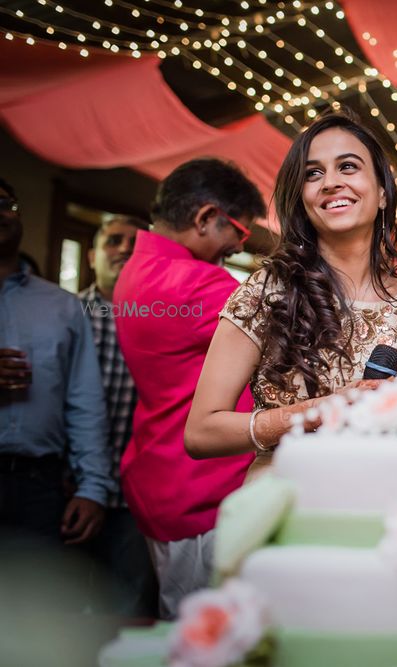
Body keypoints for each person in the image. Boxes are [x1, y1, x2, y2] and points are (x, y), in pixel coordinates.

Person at [184, 111, 397, 481]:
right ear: (303, 199)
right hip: (286, 509)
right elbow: (201, 433)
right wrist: (320, 411)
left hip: (384, 514)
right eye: (313, 173)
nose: (331, 182)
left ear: (384, 193)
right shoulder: (267, 291)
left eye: (348, 167)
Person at [113, 159, 266, 618]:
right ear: (204, 217)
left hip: (161, 473)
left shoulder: (138, 271)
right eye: (238, 232)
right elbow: (300, 326)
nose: (240, 245)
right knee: (211, 635)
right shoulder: (198, 284)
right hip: (200, 484)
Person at [0, 177, 113, 550]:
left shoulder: (63, 306)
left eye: (6, 203)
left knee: (37, 603)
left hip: (40, 487)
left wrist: (93, 488)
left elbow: (85, 402)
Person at [78, 216, 158, 618]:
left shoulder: (162, 320)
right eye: (113, 241)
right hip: (70, 487)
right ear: (92, 256)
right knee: (65, 605)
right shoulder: (71, 316)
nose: (125, 249)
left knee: (128, 609)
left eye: (134, 242)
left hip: (136, 491)